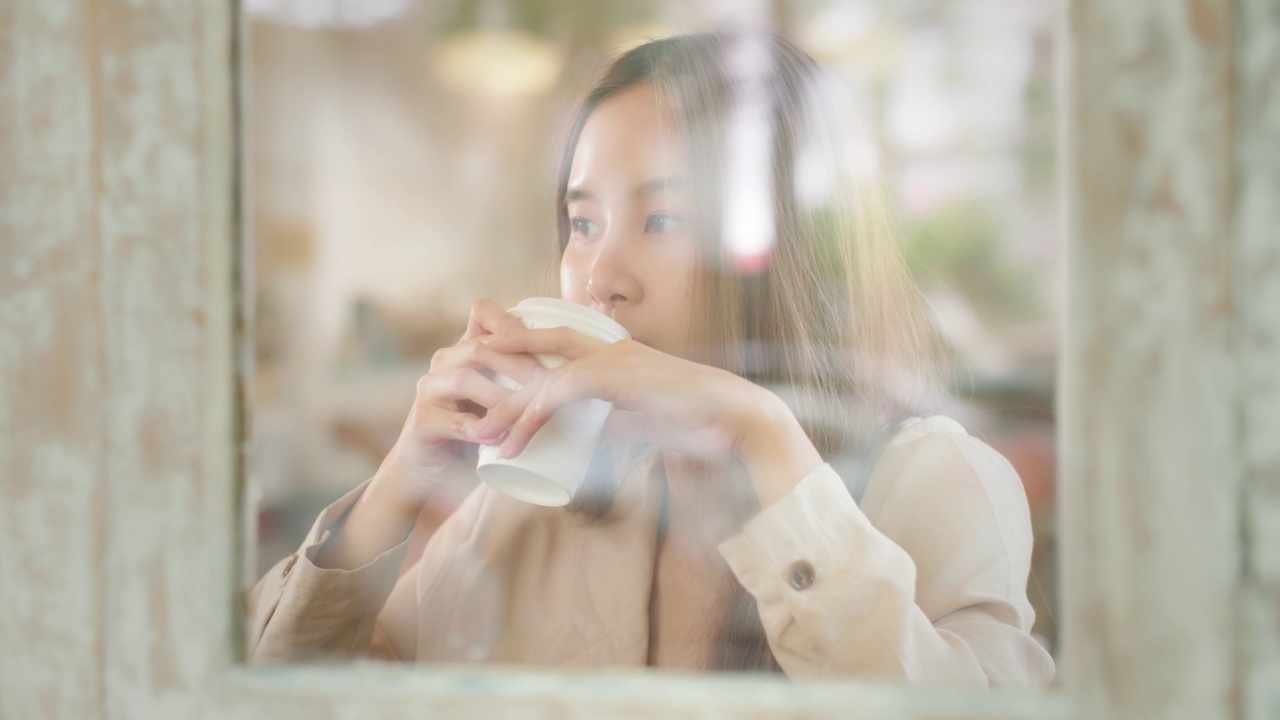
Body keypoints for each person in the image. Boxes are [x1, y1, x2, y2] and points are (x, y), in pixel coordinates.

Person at [248, 30, 1055, 687]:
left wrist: (765, 433)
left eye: (664, 221)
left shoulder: (937, 480)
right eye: (584, 222)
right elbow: (276, 695)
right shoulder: (538, 502)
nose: (600, 278)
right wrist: (399, 483)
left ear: (784, 248)